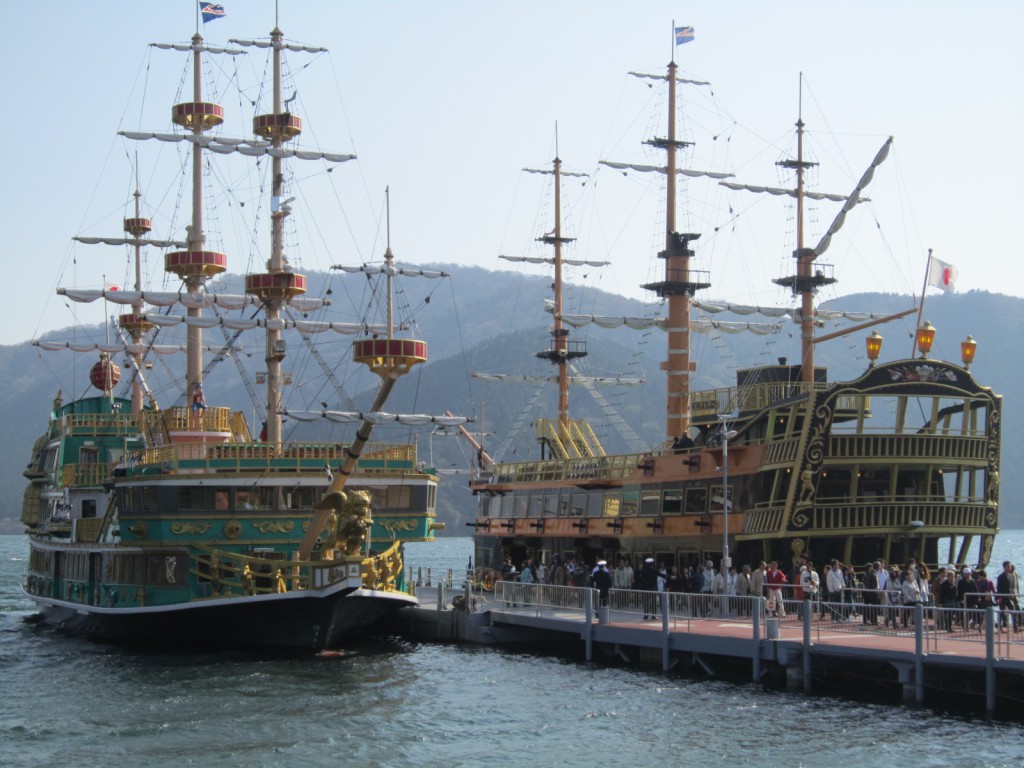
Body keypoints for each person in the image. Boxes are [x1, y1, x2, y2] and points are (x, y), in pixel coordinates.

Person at [996, 561, 1020, 632]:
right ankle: (999, 627)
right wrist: (999, 597)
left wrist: (1016, 595)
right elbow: (999, 587)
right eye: (1008, 566)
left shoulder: (1011, 575)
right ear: (1005, 567)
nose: (1010, 567)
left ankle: (1015, 627)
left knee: (1013, 609)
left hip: (1010, 597)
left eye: (1010, 566)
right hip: (1003, 597)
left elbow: (1014, 586)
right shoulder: (1001, 576)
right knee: (1002, 612)